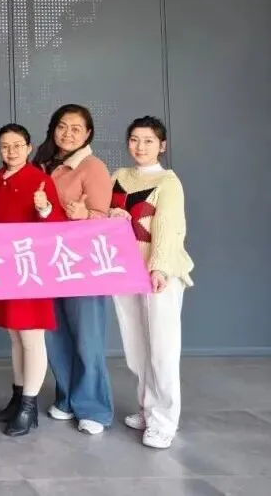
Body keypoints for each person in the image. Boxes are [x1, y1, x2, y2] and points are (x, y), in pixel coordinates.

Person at [108, 116, 194, 449]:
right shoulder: (119, 176)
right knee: (136, 345)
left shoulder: (169, 182)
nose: (140, 147)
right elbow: (101, 212)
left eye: (148, 141)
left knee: (162, 347)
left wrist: (159, 268)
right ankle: (147, 408)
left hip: (159, 274)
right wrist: (111, 215)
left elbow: (170, 228)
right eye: (134, 139)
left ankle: (164, 420)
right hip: (124, 270)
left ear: (161, 145)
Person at [0, 123, 65, 437]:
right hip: (1, 268)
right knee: (15, 336)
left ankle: (29, 407)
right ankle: (17, 397)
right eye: (5, 145)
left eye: (18, 145)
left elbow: (57, 224)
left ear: (29, 148)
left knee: (31, 337)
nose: (11, 151)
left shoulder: (39, 180)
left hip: (29, 270)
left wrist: (45, 208)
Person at [34, 104, 115, 435]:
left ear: (88, 134)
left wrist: (84, 215)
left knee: (86, 339)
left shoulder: (93, 167)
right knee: (56, 336)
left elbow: (104, 219)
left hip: (83, 266)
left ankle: (94, 408)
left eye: (76, 128)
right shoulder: (43, 164)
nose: (67, 134)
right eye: (62, 126)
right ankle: (67, 398)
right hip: (48, 262)